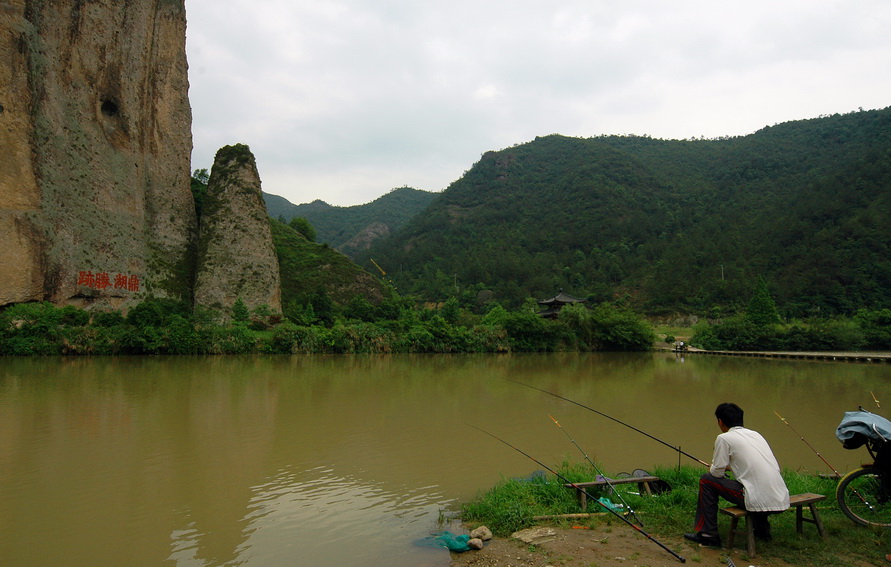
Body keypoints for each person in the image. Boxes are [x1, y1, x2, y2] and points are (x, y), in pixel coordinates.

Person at [684, 402, 790, 547]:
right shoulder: (756, 435)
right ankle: (762, 531)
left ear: (720, 421)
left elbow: (716, 473)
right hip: (781, 497)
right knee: (755, 484)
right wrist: (727, 468)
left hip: (756, 499)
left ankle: (708, 535)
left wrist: (713, 468)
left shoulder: (724, 438)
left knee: (706, 480)